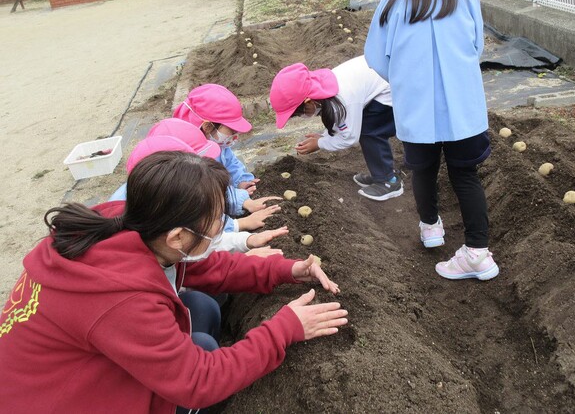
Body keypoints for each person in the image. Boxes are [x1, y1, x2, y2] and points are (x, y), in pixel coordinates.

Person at [0, 151, 347, 413]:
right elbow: (199, 381)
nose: (221, 228)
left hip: (66, 372)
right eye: (216, 224)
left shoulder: (128, 225)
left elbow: (210, 267)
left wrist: (286, 271)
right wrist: (283, 328)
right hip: (58, 402)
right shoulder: (120, 300)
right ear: (178, 237)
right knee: (204, 354)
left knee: (200, 309)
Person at [364, 0, 498, 281]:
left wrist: (409, 79)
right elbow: (476, 46)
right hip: (464, 112)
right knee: (465, 175)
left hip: (417, 113)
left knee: (423, 171)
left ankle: (430, 228)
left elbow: (377, 60)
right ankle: (477, 252)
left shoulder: (392, 5)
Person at [110, 132, 286, 257]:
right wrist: (241, 225)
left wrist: (245, 241)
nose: (220, 225)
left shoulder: (161, 241)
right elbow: (198, 259)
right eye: (217, 218)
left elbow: (200, 259)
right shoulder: (140, 286)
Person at [270, 56, 402, 201]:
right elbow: (339, 121)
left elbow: (350, 138)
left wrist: (320, 143)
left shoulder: (344, 99)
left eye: (300, 112)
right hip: (382, 80)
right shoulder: (323, 88)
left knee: (370, 131)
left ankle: (389, 181)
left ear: (308, 101)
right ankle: (382, 173)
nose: (301, 116)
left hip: (393, 87)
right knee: (366, 126)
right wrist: (325, 136)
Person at [173, 84, 265, 219]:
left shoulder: (217, 142)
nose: (235, 135)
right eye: (232, 130)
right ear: (208, 126)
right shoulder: (188, 158)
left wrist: (240, 181)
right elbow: (206, 194)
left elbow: (231, 163)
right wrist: (239, 199)